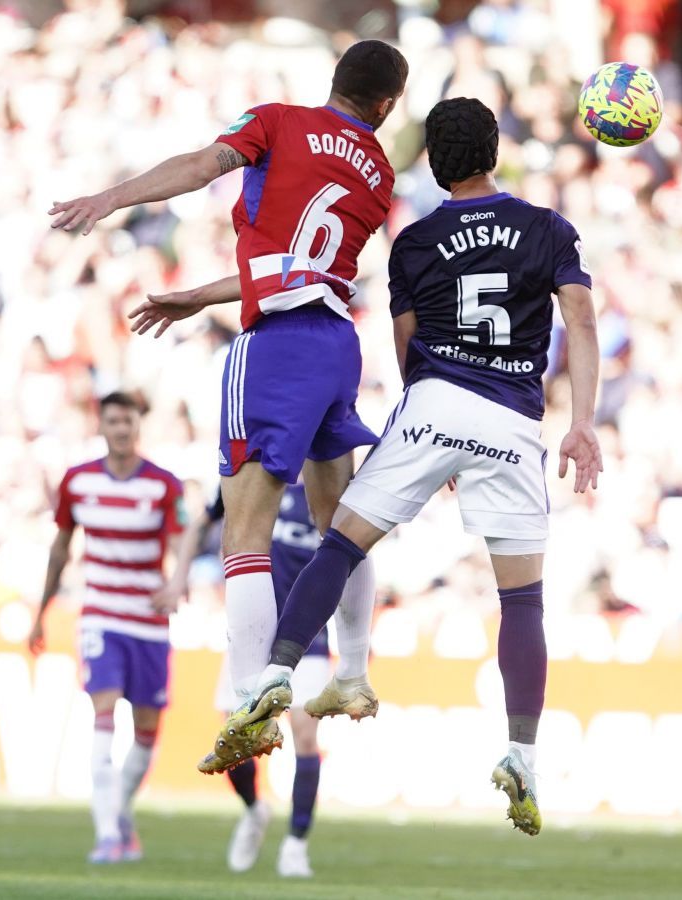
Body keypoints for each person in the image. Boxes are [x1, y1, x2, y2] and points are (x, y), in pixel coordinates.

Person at [241, 97, 603, 836]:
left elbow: (406, 349)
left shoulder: (413, 241)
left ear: (433, 162)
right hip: (511, 419)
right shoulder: (549, 229)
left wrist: (428, 445)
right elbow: (583, 322)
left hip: (436, 400)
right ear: (495, 151)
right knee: (523, 602)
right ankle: (521, 753)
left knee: (339, 544)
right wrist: (584, 424)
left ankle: (275, 672)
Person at [50, 40, 408, 771]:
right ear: (387, 107)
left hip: (274, 346)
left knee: (243, 533)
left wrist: (112, 198)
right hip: (338, 344)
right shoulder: (381, 175)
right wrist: (199, 296)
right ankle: (351, 673)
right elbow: (303, 271)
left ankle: (250, 700)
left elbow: (200, 169)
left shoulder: (278, 121)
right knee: (336, 528)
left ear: (333, 82)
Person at [28, 391, 185, 862]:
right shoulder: (78, 482)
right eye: (114, 421)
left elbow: (183, 539)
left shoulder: (163, 485)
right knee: (102, 712)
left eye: (129, 421)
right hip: (100, 615)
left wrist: (177, 584)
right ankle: (106, 836)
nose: (122, 429)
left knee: (146, 729)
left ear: (139, 426)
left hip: (149, 620)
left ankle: (119, 814)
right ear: (102, 426)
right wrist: (41, 611)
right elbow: (60, 549)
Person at [156, 483, 332, 878]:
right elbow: (203, 520)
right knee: (235, 739)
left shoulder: (330, 476)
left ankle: (296, 845)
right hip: (254, 633)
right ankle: (255, 810)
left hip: (309, 634)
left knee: (305, 737)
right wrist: (181, 573)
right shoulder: (257, 471)